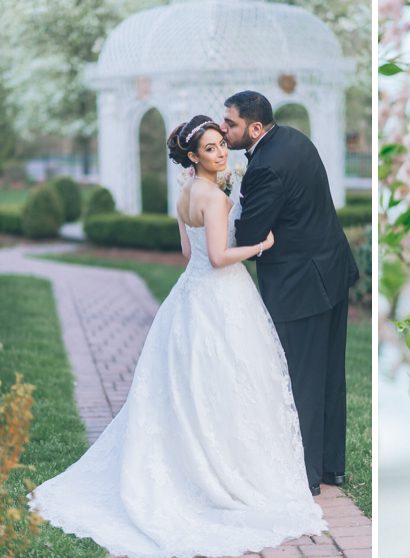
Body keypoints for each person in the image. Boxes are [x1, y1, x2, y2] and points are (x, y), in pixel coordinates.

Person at [28, 115, 326, 558]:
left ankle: (194, 461)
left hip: (190, 296)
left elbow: (191, 254)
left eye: (222, 144)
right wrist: (261, 246)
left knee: (192, 386)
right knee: (232, 382)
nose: (222, 152)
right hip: (223, 298)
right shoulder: (215, 198)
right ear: (193, 155)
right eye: (210, 148)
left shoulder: (186, 192)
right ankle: (226, 471)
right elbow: (223, 258)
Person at [221, 91, 359, 496]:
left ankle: (304, 474)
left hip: (300, 284)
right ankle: (330, 466)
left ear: (256, 128)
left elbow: (248, 235)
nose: (225, 130)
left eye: (231, 124)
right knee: (329, 375)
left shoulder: (265, 166)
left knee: (300, 377)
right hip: (331, 270)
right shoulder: (294, 138)